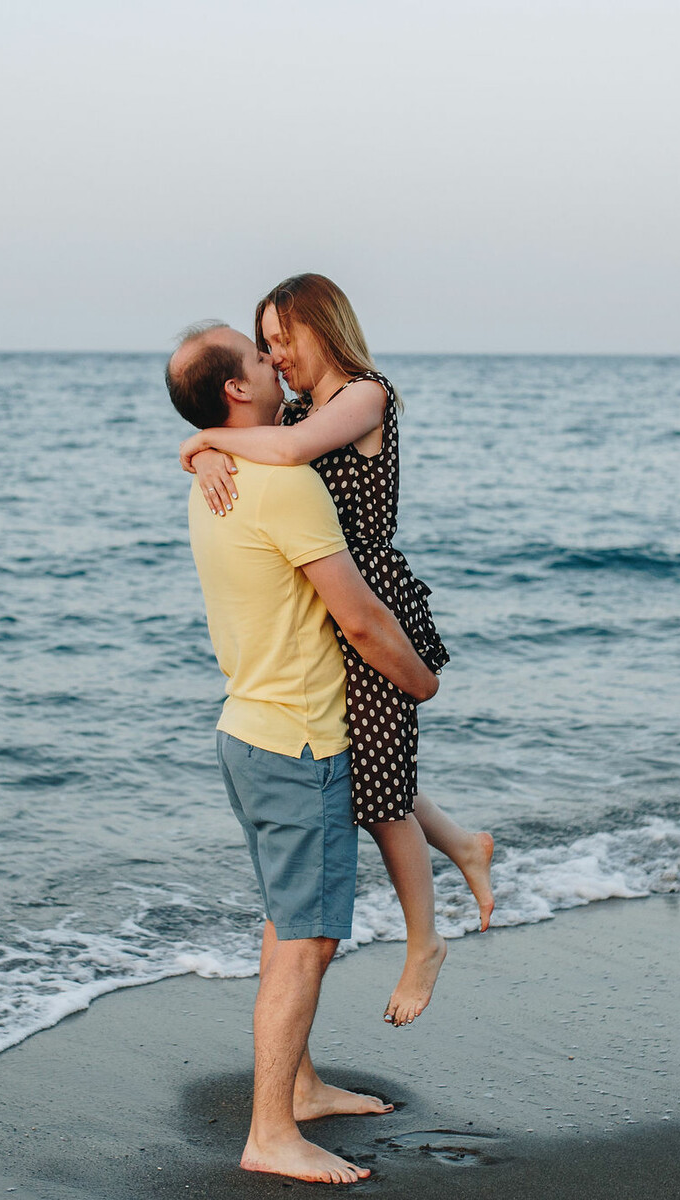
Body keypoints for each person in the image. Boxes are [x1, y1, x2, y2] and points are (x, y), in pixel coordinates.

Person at [178, 274, 494, 1027]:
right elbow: (264, 437)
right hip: (331, 599)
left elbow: (282, 449)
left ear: (325, 327)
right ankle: (462, 844)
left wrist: (203, 439)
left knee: (379, 786)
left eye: (283, 338)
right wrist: (203, 456)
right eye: (266, 344)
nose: (275, 354)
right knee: (367, 762)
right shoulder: (297, 409)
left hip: (370, 599)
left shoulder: (364, 395)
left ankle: (425, 942)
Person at [167, 319, 440, 1185]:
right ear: (238, 392)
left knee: (287, 922)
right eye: (258, 357)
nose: (274, 360)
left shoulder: (217, 479)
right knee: (309, 941)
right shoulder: (284, 485)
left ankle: (304, 1086)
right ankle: (270, 1133)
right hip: (301, 743)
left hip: (246, 733)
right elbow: (359, 617)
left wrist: (200, 446)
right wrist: (421, 682)